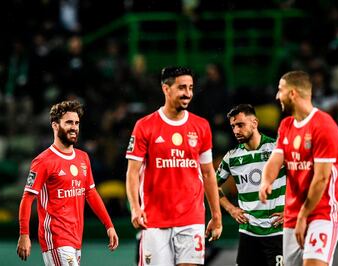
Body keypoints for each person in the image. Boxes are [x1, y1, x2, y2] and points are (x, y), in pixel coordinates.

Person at [126, 66, 222, 266]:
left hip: (192, 217)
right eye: (181, 88)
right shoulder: (145, 126)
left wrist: (216, 214)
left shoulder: (201, 126)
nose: (188, 93)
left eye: (191, 87)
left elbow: (208, 174)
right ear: (166, 89)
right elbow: (132, 173)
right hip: (154, 219)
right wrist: (135, 208)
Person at [16, 100, 118, 265]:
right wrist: (24, 234)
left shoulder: (83, 157)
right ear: (55, 125)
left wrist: (109, 225)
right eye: (69, 122)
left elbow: (91, 193)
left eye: (77, 123)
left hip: (76, 238)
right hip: (56, 238)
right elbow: (27, 198)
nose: (74, 127)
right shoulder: (42, 161)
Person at [259, 70, 338, 266]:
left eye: (280, 90)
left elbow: (321, 179)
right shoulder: (286, 125)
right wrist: (266, 181)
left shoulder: (324, 126)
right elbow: (275, 160)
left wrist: (304, 216)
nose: (276, 96)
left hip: (322, 213)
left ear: (293, 94)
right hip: (292, 215)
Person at [216, 104, 286, 266]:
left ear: (255, 123)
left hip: (277, 231)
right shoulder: (231, 157)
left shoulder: (277, 150)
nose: (235, 131)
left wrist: (290, 211)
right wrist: (230, 209)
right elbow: (212, 185)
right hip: (248, 232)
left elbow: (301, 178)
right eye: (233, 126)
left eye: (240, 125)